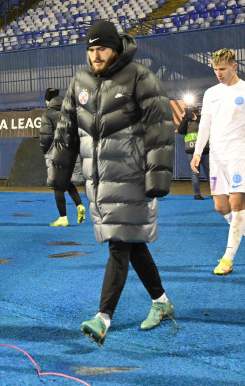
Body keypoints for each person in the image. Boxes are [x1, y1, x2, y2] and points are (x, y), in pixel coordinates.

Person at [49, 20, 174, 345]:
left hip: (131, 177)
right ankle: (161, 302)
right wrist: (59, 176)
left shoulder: (139, 77)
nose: (95, 55)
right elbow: (65, 131)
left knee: (119, 245)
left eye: (100, 48)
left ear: (115, 48)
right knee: (132, 245)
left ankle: (102, 318)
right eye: (90, 49)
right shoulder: (81, 81)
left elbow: (159, 128)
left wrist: (157, 175)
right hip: (100, 182)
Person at [192, 49, 245, 276]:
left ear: (234, 66)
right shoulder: (211, 93)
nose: (219, 73)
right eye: (215, 69)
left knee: (236, 206)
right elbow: (204, 126)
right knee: (220, 207)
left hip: (239, 154)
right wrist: (198, 152)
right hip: (216, 156)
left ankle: (228, 259)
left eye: (222, 69)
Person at [39, 87, 86, 226]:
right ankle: (79, 205)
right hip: (71, 152)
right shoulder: (70, 112)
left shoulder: (47, 114)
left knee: (57, 186)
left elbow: (45, 136)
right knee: (68, 182)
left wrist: (45, 150)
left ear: (48, 101)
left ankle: (63, 218)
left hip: (56, 153)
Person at [176, 98, 209, 200]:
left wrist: (197, 119)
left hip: (205, 148)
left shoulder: (204, 119)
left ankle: (215, 192)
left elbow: (208, 128)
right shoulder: (188, 119)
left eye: (199, 109)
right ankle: (196, 194)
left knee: (210, 172)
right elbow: (181, 131)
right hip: (191, 149)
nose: (198, 111)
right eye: (197, 109)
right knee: (195, 172)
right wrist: (184, 119)